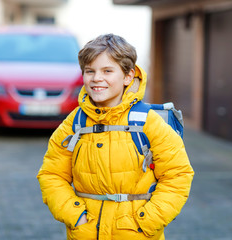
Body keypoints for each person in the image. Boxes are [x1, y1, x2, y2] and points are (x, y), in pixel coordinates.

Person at [36, 34, 194, 240]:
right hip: (86, 233)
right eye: (89, 71)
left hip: (137, 234)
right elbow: (51, 174)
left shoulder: (147, 122)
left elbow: (178, 175)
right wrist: (76, 217)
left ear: (128, 76)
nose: (96, 79)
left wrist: (146, 222)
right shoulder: (75, 123)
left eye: (107, 71)